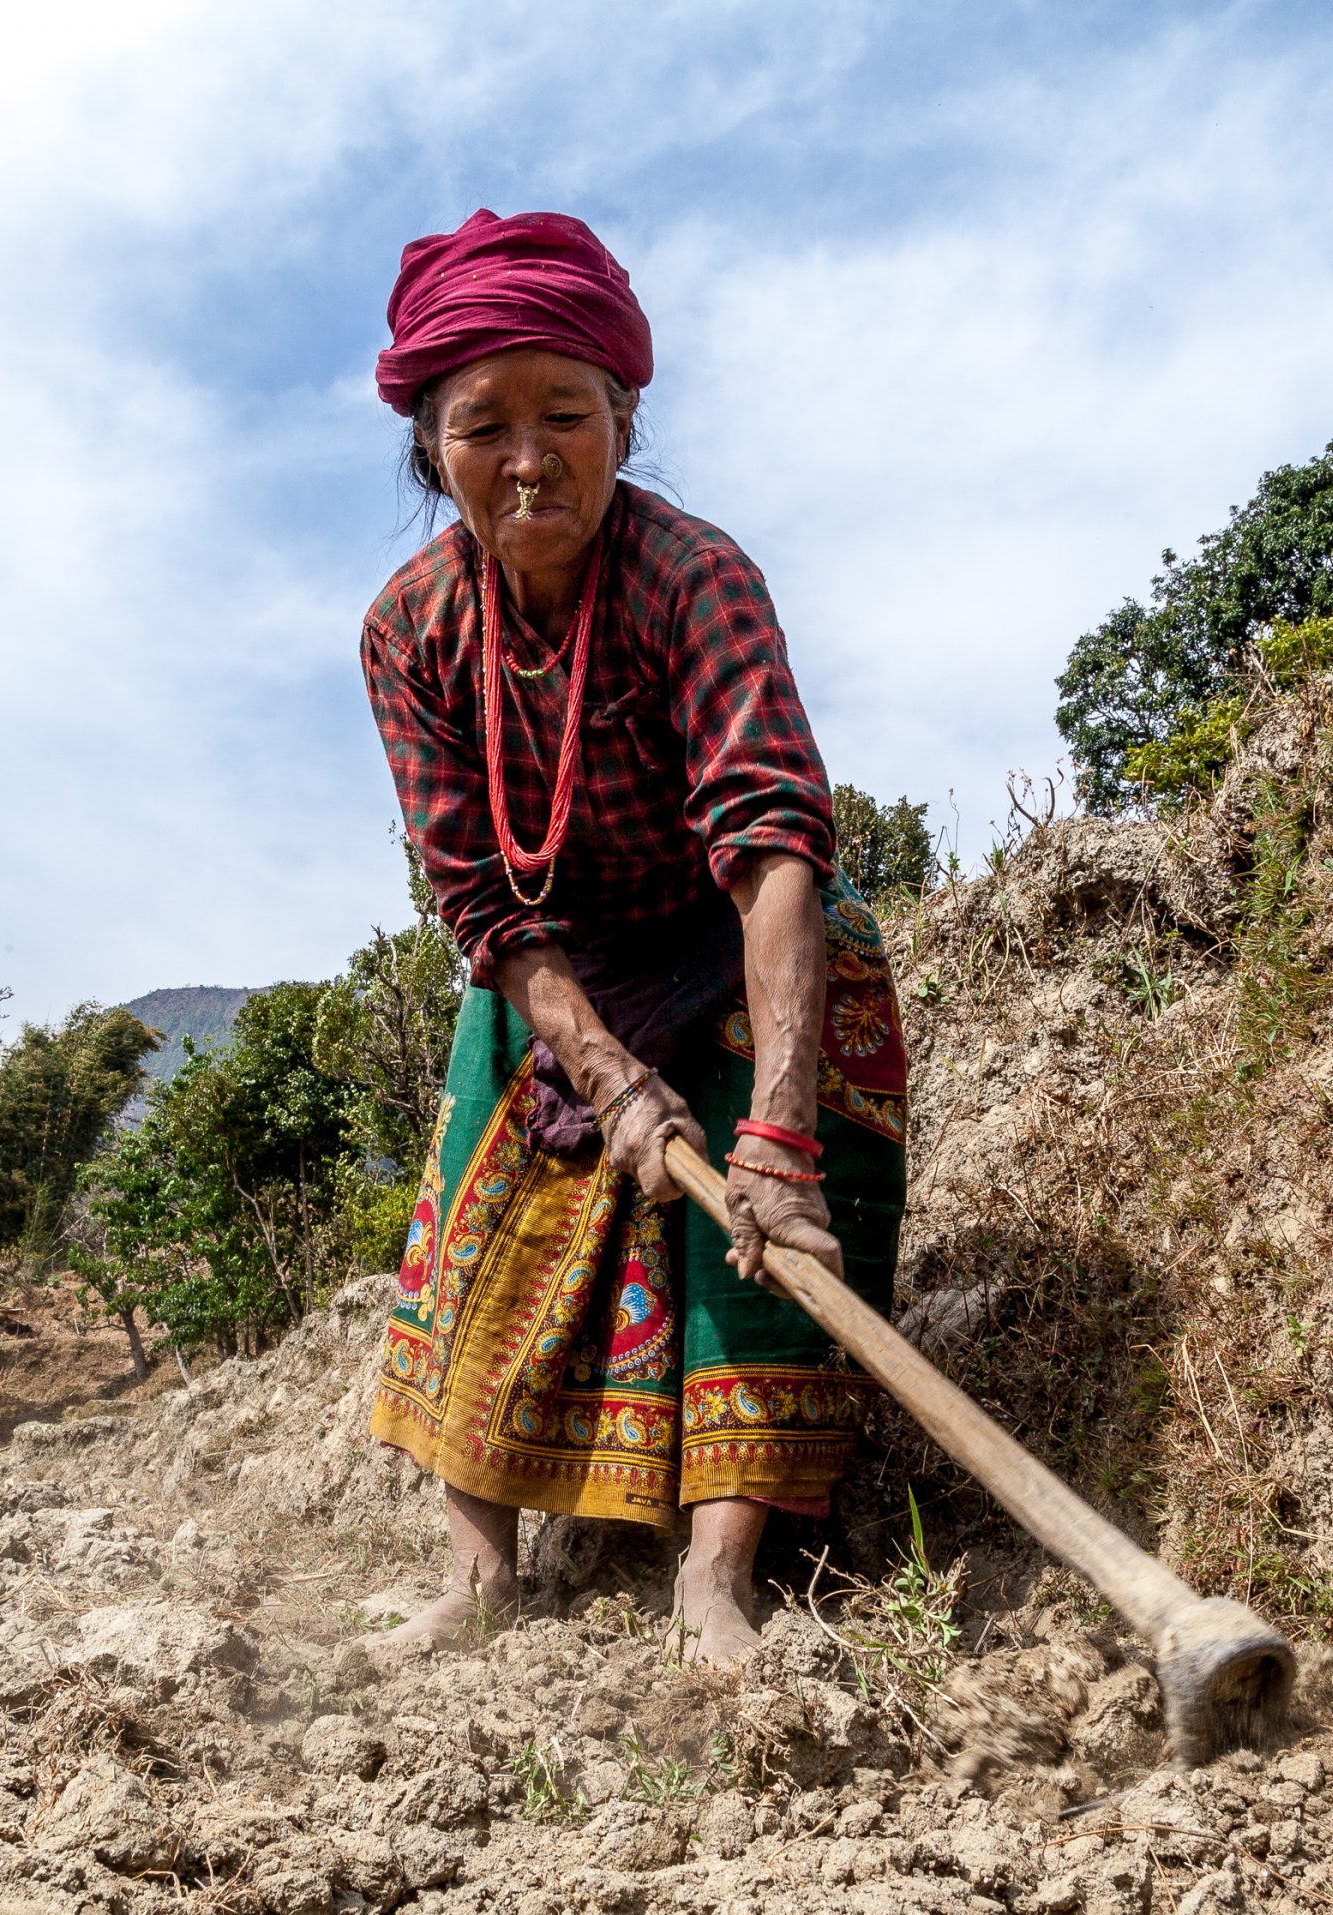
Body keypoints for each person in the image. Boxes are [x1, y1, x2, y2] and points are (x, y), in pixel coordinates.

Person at [358, 209, 909, 1666]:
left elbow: (777, 847)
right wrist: (601, 1069)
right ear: (433, 447)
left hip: (746, 937)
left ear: (624, 418)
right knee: (491, 1201)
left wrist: (777, 1137)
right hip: (556, 962)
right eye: (483, 426)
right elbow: (481, 893)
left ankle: (716, 1579)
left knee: (756, 1230)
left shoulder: (694, 578)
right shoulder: (408, 631)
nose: (529, 458)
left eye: (568, 415)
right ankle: (482, 1571)